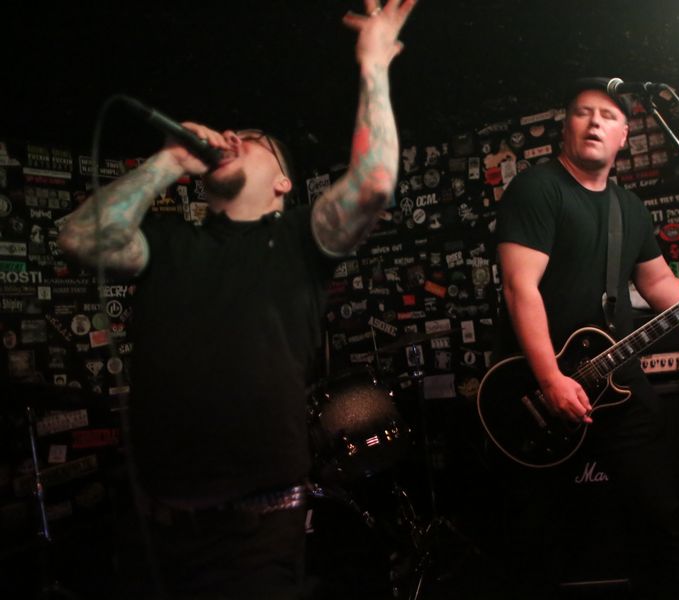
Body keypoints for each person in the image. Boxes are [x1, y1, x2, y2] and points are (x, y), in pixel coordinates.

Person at [58, 1, 417, 597]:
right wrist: (170, 159)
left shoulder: (299, 238)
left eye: (250, 142)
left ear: (282, 182)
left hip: (255, 535)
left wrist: (374, 63)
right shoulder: (169, 242)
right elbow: (78, 239)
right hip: (152, 532)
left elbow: (374, 184)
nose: (232, 140)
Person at [493, 78, 679, 598]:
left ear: (624, 136)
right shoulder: (538, 189)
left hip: (614, 373)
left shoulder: (629, 208)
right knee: (536, 532)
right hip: (538, 383)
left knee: (656, 509)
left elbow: (656, 282)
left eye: (608, 116)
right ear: (565, 128)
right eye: (583, 112)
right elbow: (519, 287)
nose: (595, 122)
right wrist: (550, 378)